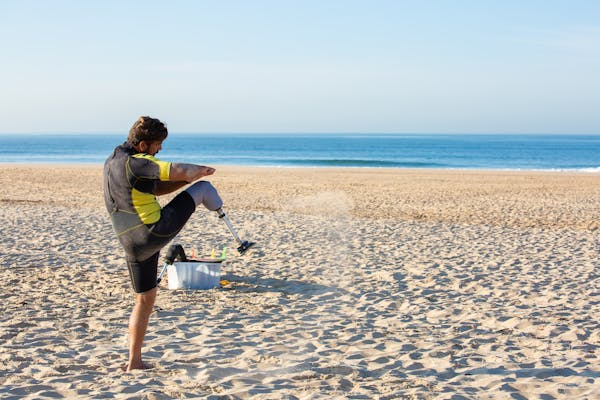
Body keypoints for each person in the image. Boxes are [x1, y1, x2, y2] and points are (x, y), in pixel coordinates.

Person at [103, 116, 223, 371]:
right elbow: (180, 170)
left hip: (132, 244)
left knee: (144, 300)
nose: (160, 150)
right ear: (145, 144)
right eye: (158, 145)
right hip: (153, 231)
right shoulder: (138, 163)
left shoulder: (114, 160)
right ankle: (222, 213)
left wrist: (186, 180)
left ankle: (134, 362)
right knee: (204, 188)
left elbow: (156, 189)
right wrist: (199, 171)